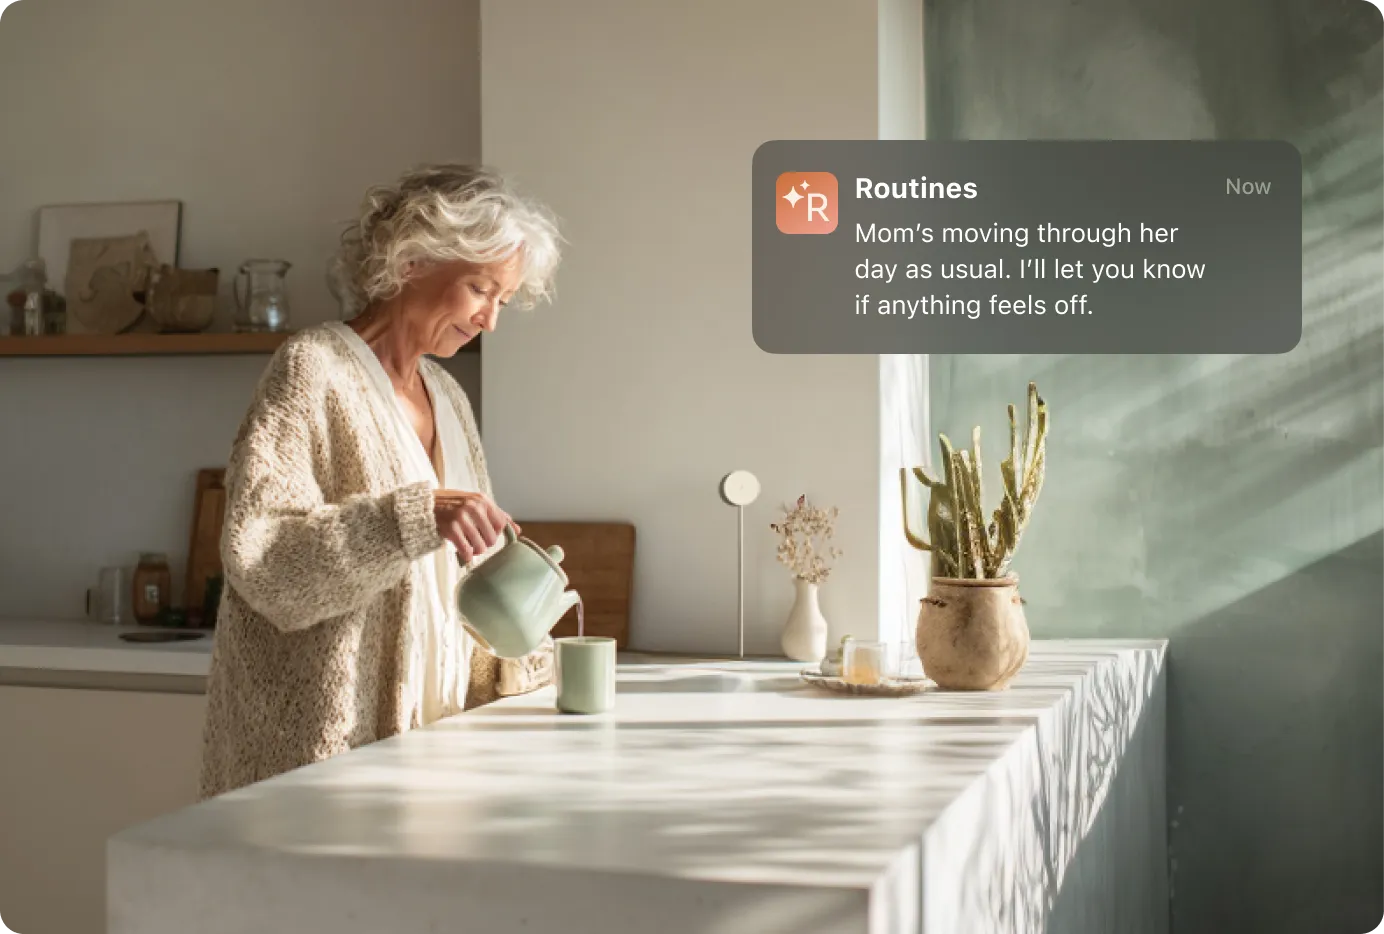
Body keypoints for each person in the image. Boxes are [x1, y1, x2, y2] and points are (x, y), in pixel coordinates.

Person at [199, 164, 562, 799]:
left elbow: (457, 583)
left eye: (503, 300)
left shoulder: (448, 393)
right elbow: (264, 563)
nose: (490, 321)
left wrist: (530, 655)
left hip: (435, 748)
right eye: (481, 289)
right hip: (323, 757)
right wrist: (409, 518)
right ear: (414, 260)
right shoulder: (312, 369)